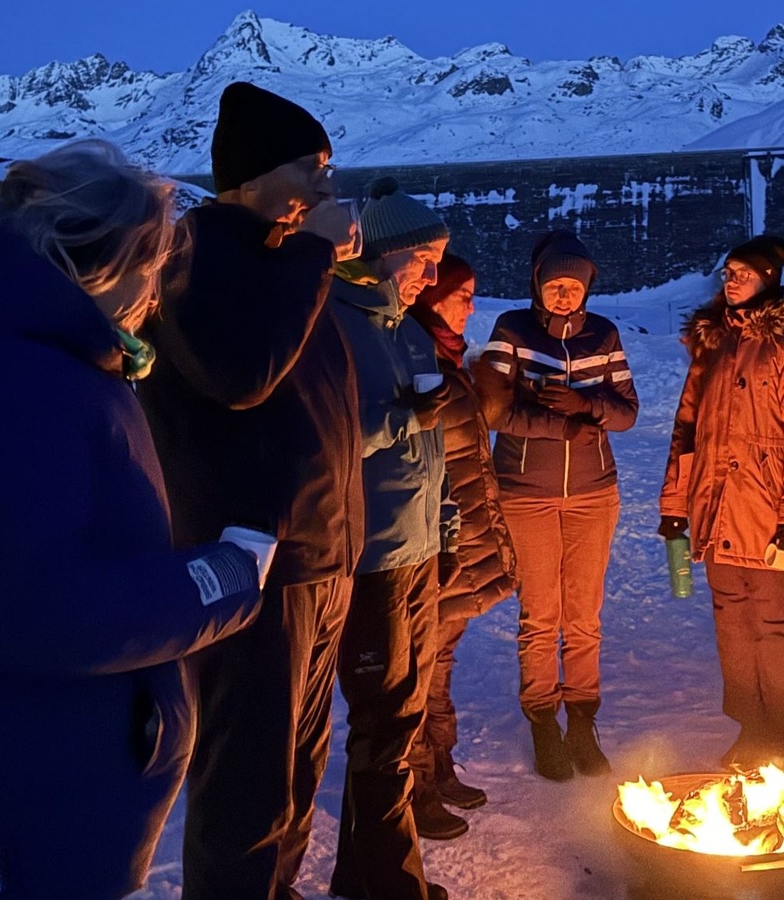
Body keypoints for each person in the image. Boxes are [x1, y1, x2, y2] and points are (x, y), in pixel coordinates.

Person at [0, 141, 268, 900]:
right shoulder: (4, 382)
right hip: (16, 824)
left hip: (43, 810)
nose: (160, 291)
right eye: (155, 265)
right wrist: (219, 579)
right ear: (105, 261)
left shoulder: (38, 365)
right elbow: (29, 609)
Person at [136, 81, 366, 900]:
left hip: (317, 562)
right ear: (254, 176)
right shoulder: (198, 255)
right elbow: (241, 375)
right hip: (252, 570)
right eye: (313, 167)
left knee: (298, 777)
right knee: (247, 789)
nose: (327, 189)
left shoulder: (277, 260)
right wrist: (311, 255)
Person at [325, 179, 457, 900]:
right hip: (371, 555)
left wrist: (446, 526)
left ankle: (368, 872)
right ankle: (389, 882)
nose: (434, 277)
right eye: (424, 259)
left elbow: (431, 448)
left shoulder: (403, 328)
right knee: (383, 722)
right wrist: (408, 418)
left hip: (416, 550)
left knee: (400, 714)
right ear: (379, 258)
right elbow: (331, 437)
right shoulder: (337, 327)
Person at [479, 230, 639, 781]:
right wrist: (559, 424)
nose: (564, 295)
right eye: (554, 285)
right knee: (540, 615)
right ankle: (543, 718)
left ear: (587, 287)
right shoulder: (512, 332)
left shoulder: (604, 334)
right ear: (537, 286)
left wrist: (586, 403)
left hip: (595, 492)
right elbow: (494, 413)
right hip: (527, 494)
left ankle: (583, 718)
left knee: (584, 614)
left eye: (573, 285)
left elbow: (626, 412)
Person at [658, 234, 784, 769]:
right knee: (730, 617)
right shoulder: (711, 343)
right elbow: (686, 430)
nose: (730, 281)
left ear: (768, 279)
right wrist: (674, 504)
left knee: (772, 621)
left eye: (743, 273)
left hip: (765, 504)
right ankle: (752, 727)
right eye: (727, 271)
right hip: (713, 501)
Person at [405, 254, 519, 835]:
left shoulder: (448, 360)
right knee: (419, 669)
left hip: (462, 542)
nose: (472, 306)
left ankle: (440, 764)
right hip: (434, 546)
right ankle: (414, 784)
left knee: (442, 662)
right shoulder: (413, 357)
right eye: (462, 294)